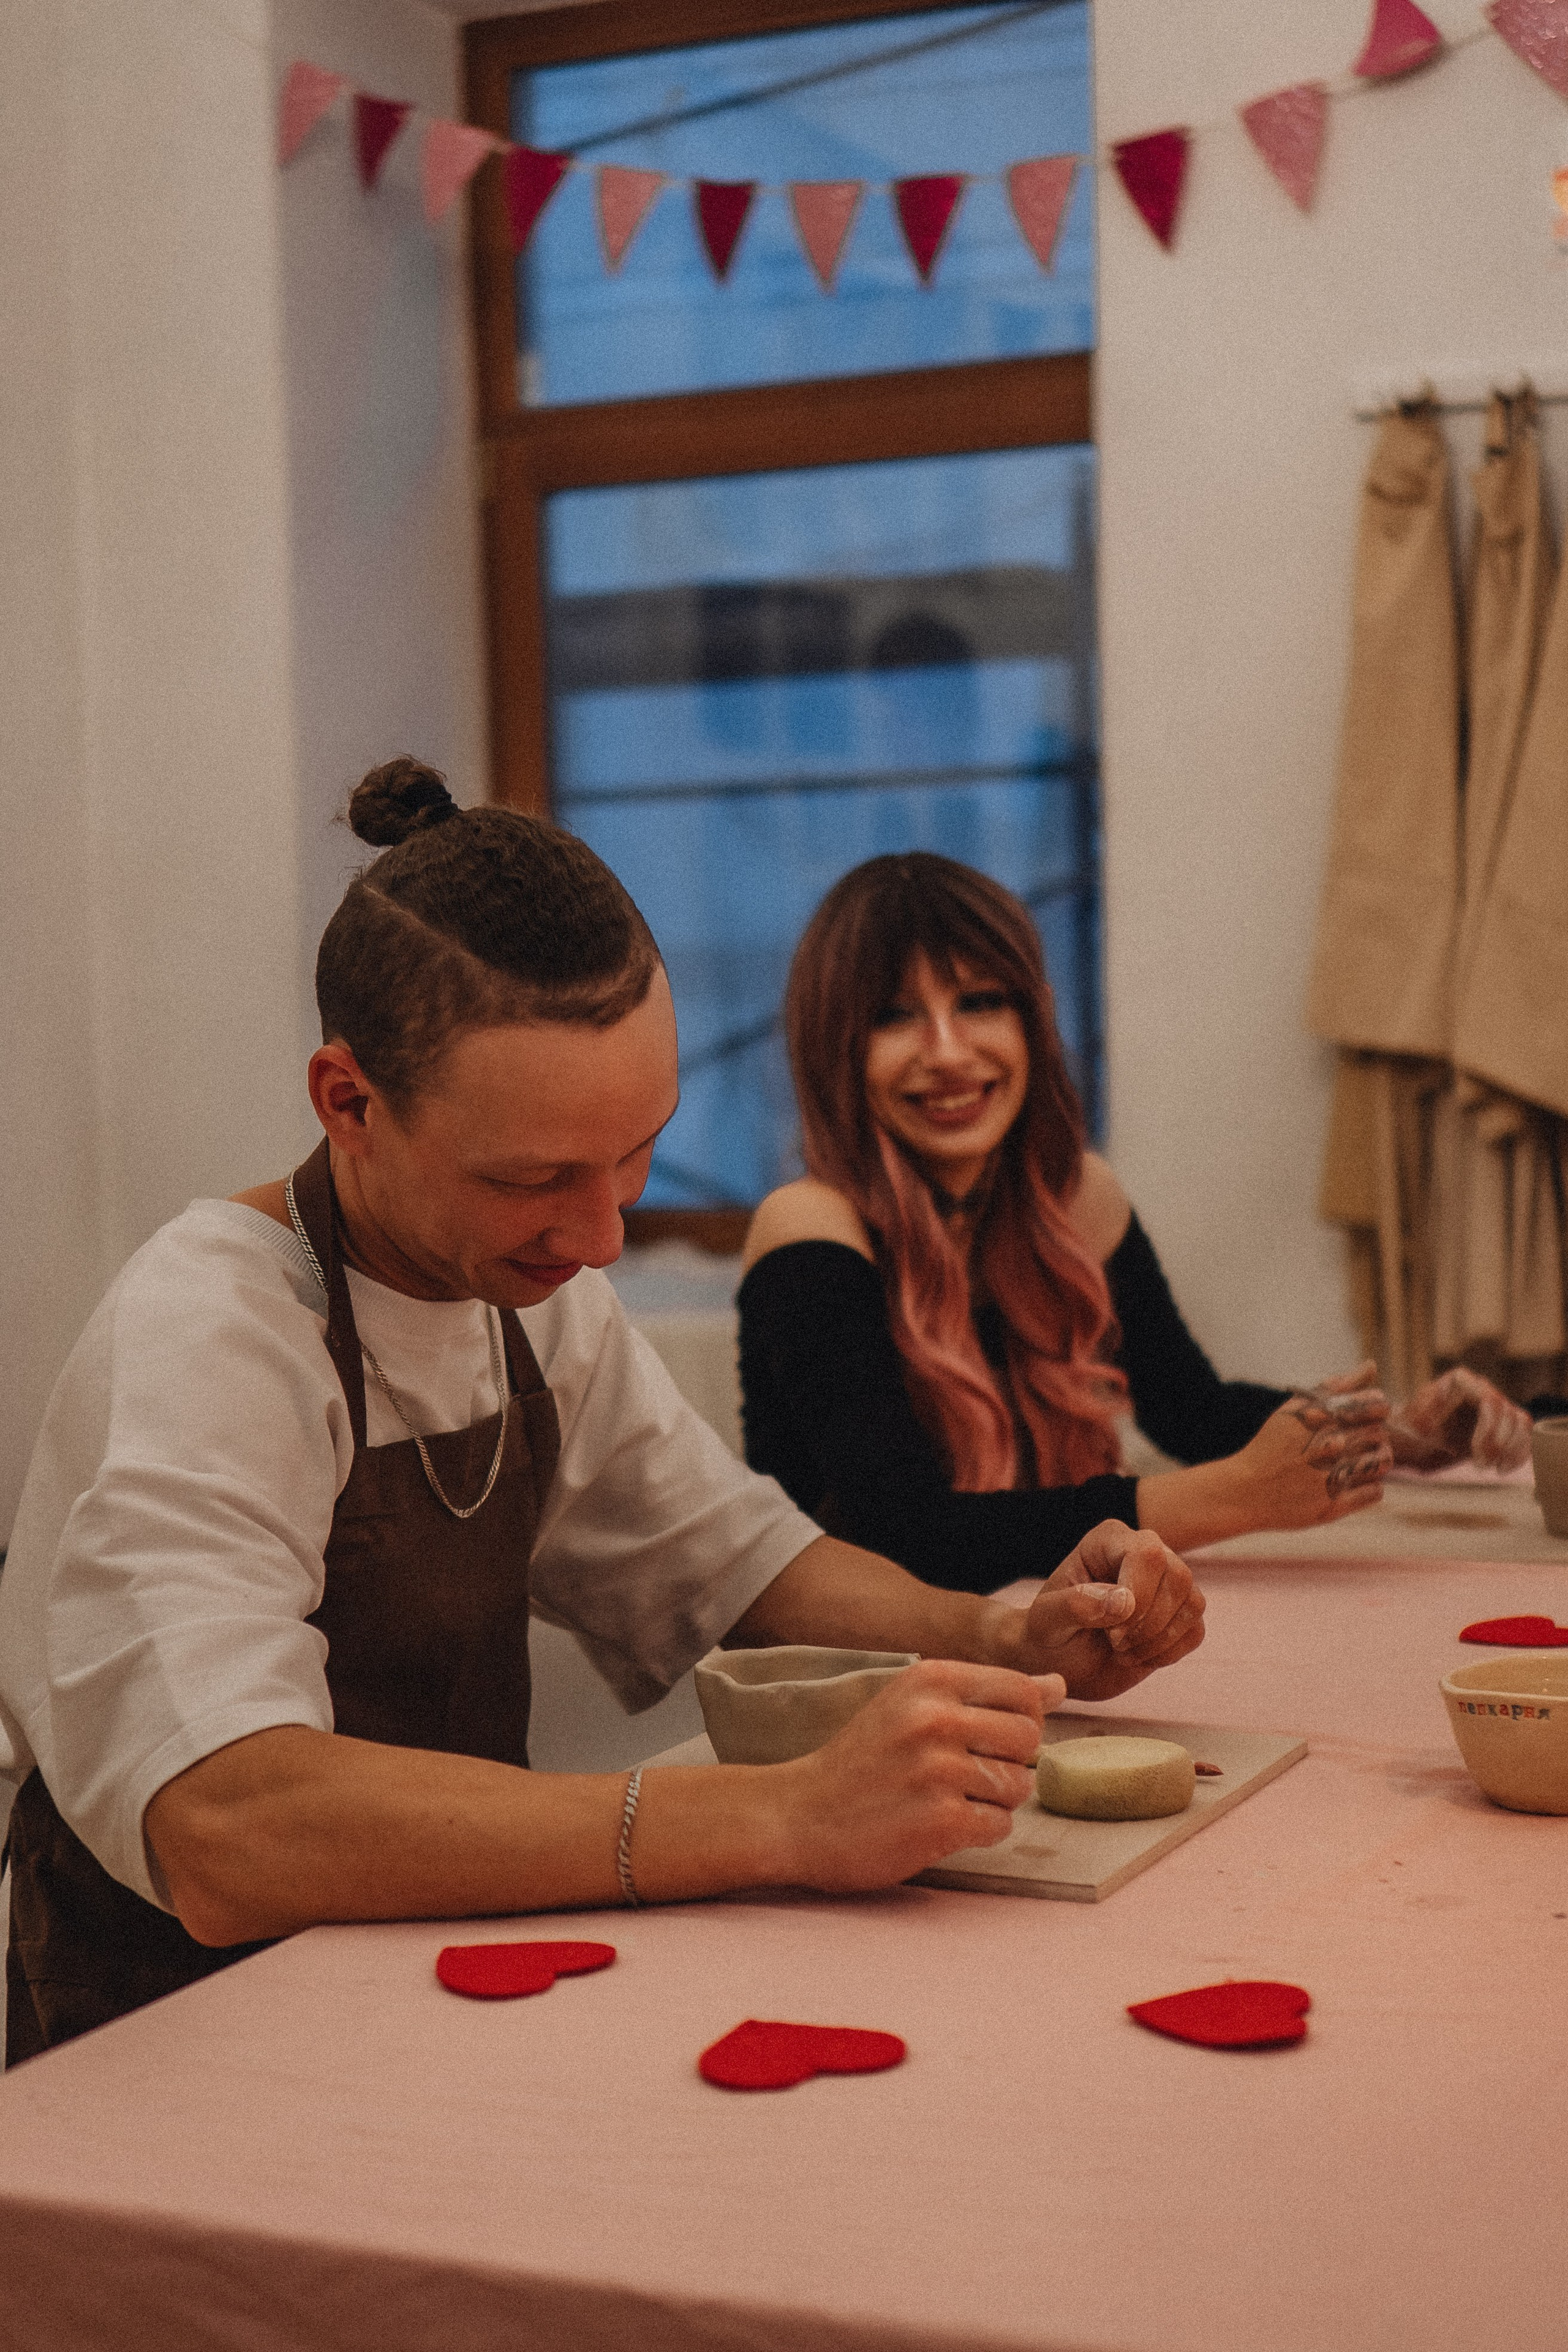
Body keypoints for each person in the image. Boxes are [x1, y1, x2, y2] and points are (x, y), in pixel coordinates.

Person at [0, 765, 1206, 2064]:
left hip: (417, 1991)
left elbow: (732, 1556)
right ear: (348, 1102)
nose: (600, 1233)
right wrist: (779, 1818)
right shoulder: (211, 1337)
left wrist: (1009, 1628)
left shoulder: (533, 1294)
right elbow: (227, 1825)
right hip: (169, 2048)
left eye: (639, 1151)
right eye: (537, 1178)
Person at [738, 853, 1532, 1592]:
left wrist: (1392, 1433)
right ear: (835, 1049)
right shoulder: (808, 1226)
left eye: (980, 1002)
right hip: (842, 1682)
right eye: (895, 1016)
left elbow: (1190, 1408)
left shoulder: (1076, 1197)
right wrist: (1236, 1497)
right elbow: (908, 1535)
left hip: (1020, 1632)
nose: (948, 1052)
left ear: (1033, 1022)